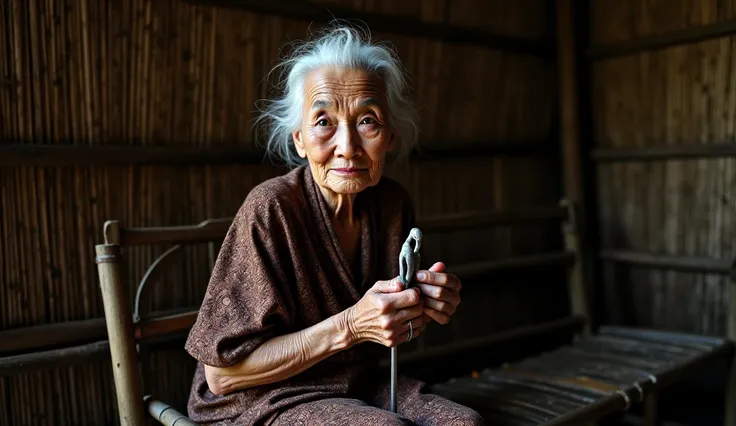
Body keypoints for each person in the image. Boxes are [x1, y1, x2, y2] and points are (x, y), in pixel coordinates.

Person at [184, 23, 486, 426]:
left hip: (354, 384)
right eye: (324, 121)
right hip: (262, 397)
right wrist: (350, 325)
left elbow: (393, 326)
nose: (347, 146)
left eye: (367, 121)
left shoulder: (392, 204)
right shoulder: (271, 208)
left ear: (390, 137)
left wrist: (427, 307)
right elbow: (222, 377)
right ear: (299, 140)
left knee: (465, 424)